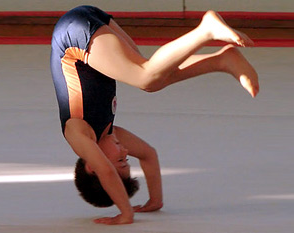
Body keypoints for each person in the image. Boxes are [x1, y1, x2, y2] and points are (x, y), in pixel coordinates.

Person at [50, 5, 259, 225]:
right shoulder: (109, 133)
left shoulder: (78, 133)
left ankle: (206, 30)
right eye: (126, 158)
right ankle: (221, 60)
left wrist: (126, 213)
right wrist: (155, 201)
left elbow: (106, 172)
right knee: (154, 76)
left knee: (145, 76)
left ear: (91, 165)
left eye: (120, 159)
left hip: (73, 35)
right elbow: (149, 155)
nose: (125, 150)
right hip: (88, 23)